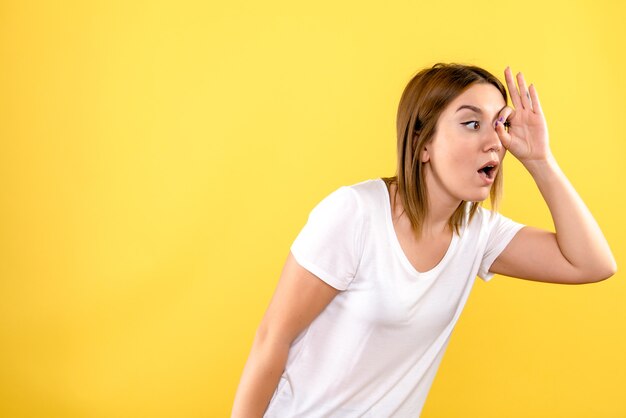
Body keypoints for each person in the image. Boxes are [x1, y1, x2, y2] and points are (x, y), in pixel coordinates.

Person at [230, 63, 617, 417]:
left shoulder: (478, 234)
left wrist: (539, 161)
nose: (495, 141)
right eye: (471, 123)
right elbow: (272, 340)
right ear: (423, 142)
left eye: (500, 124)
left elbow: (592, 264)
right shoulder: (355, 214)